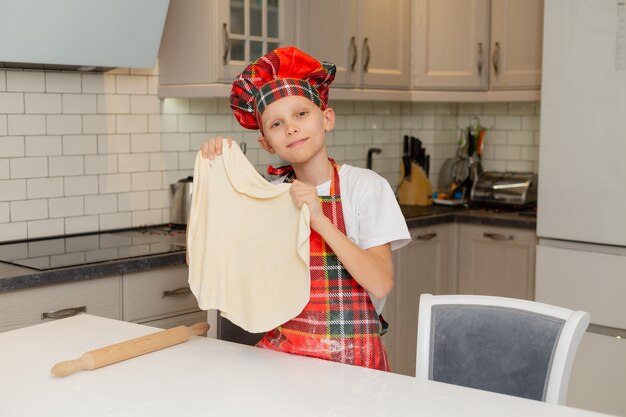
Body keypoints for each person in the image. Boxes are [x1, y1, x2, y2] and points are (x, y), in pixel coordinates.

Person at [200, 46, 410, 371]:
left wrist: (320, 220)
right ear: (267, 144)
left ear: (326, 118)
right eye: (276, 124)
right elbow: (216, 266)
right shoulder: (269, 197)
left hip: (353, 362)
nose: (292, 128)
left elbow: (380, 282)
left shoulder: (365, 187)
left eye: (301, 114)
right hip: (286, 360)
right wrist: (217, 178)